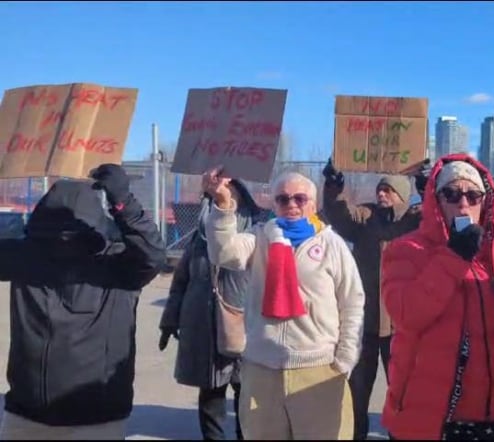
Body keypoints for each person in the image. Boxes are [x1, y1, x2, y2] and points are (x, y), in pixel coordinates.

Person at [380, 153, 494, 440]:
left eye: (473, 195)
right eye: (451, 194)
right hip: (435, 416)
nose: (463, 203)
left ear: (485, 202)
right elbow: (407, 315)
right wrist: (453, 257)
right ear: (436, 201)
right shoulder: (406, 251)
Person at [0, 164, 166, 440]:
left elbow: (153, 255)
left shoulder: (27, 256)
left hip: (38, 412)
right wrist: (123, 201)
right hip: (88, 415)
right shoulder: (120, 262)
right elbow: (153, 254)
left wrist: (123, 201)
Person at [202, 168, 365, 440]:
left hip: (318, 370)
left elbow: (352, 302)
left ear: (313, 204)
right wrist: (222, 204)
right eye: (283, 199)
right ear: (274, 203)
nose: (291, 205)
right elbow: (223, 253)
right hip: (261, 369)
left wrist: (345, 359)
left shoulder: (331, 245)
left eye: (300, 199)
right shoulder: (259, 237)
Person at [321, 158, 427, 440]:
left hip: (401, 326)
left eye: (388, 190)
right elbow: (339, 214)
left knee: (401, 390)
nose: (381, 194)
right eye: (380, 190)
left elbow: (440, 219)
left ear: (402, 196)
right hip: (365, 324)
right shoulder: (366, 219)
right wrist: (334, 187)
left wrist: (428, 188)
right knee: (357, 391)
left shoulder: (415, 221)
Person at [159, 178, 271, 440]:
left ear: (240, 201)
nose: (220, 200)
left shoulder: (258, 235)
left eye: (227, 196)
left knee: (247, 396)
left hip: (244, 328)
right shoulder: (198, 240)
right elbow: (180, 283)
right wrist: (169, 321)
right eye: (215, 197)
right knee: (211, 396)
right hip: (204, 327)